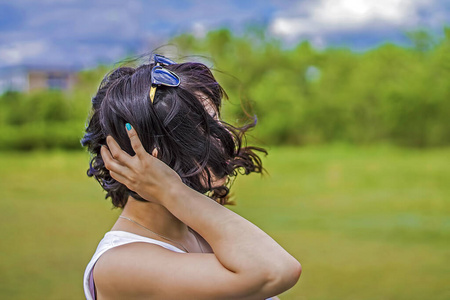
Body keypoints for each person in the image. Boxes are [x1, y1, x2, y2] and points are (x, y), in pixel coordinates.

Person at [81, 54, 301, 300]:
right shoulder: (119, 265)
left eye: (217, 122)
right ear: (152, 157)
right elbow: (276, 271)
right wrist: (171, 190)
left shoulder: (201, 233)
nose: (224, 138)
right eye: (203, 131)